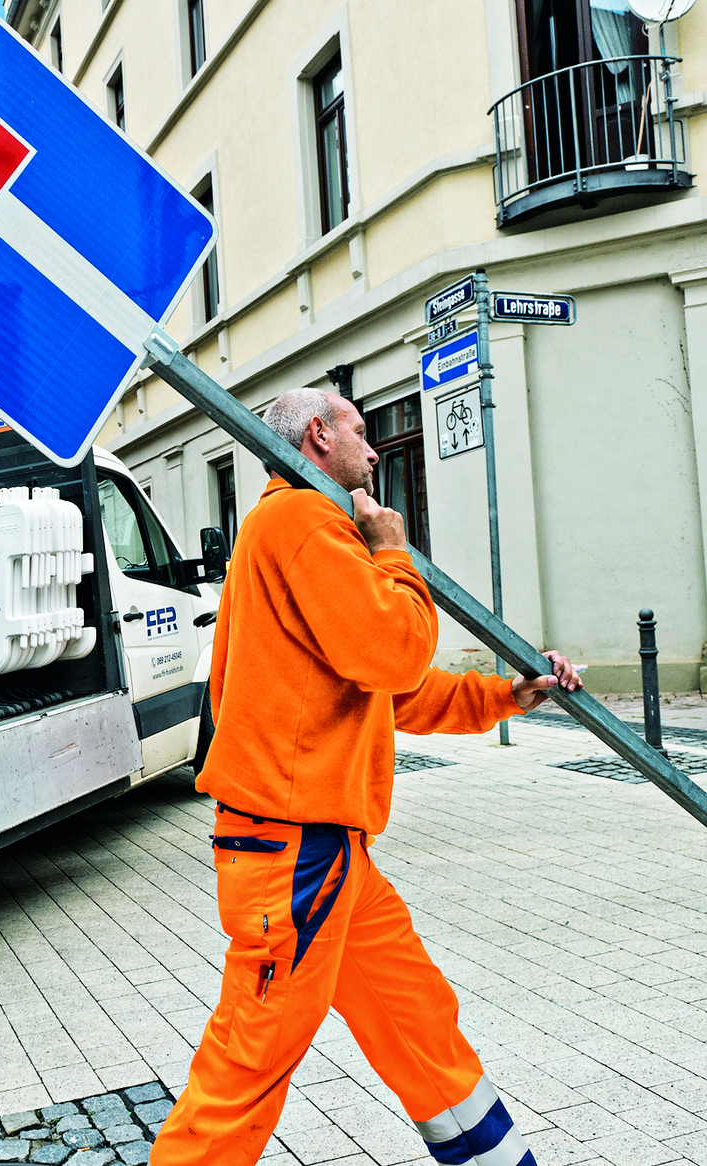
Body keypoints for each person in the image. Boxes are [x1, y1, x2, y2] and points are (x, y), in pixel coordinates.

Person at [151, 388, 582, 1166]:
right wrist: (393, 548)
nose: (376, 449)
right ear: (318, 436)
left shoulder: (296, 529)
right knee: (249, 1061)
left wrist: (504, 697)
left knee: (414, 1012)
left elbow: (389, 689)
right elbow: (392, 650)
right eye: (360, 430)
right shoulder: (305, 521)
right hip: (295, 848)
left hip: (326, 847)